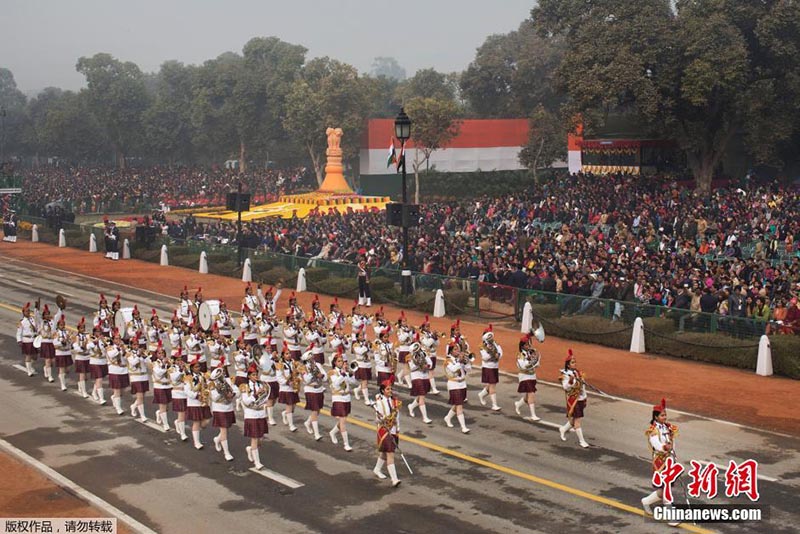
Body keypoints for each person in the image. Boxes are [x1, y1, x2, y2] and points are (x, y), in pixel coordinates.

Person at [641, 399, 681, 527]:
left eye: (665, 415)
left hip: (669, 461)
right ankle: (671, 517)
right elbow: (656, 445)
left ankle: (646, 501)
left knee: (664, 490)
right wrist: (665, 447)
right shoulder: (653, 430)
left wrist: (673, 453)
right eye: (662, 415)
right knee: (666, 489)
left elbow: (672, 442)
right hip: (659, 462)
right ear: (656, 417)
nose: (665, 417)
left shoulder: (668, 427)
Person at [328, 349, 359, 451]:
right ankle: (346, 444)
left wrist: (350, 373)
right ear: (335, 363)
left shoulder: (344, 372)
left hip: (346, 397)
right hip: (338, 397)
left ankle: (333, 432)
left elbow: (353, 382)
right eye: (339, 361)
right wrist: (342, 374)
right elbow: (336, 384)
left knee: (343, 420)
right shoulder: (332, 372)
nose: (341, 363)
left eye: (342, 361)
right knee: (343, 421)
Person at [558, 350, 590, 448]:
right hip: (573, 400)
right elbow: (565, 387)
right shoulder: (566, 375)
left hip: (581, 398)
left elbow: (581, 386)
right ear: (568, 365)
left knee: (574, 420)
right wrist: (571, 382)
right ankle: (582, 441)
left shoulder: (577, 372)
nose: (574, 363)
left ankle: (563, 429)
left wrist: (585, 395)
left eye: (575, 361)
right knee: (577, 421)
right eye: (572, 362)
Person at [373, 379, 402, 487]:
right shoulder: (379, 403)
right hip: (384, 430)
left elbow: (398, 417)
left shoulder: (394, 401)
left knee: (384, 453)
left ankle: (377, 469)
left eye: (391, 388)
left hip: (393, 429)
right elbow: (377, 420)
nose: (390, 391)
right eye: (388, 389)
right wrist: (384, 419)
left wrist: (398, 428)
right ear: (382, 391)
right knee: (390, 453)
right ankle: (394, 479)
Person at [240, 363, 268, 470]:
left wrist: (264, 394)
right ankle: (257, 462)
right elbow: (246, 401)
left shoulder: (261, 385)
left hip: (260, 413)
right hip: (251, 414)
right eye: (253, 375)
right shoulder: (245, 387)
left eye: (256, 375)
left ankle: (250, 449)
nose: (256, 377)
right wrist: (256, 394)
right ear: (249, 376)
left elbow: (265, 397)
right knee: (255, 438)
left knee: (260, 438)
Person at [210, 366, 238, 462]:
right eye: (219, 375)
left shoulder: (228, 381)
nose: (222, 376)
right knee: (224, 430)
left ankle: (218, 439)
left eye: (222, 374)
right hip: (219, 408)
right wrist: (223, 393)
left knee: (226, 429)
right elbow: (214, 398)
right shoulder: (213, 384)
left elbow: (237, 391)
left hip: (228, 407)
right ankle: (226, 452)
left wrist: (233, 394)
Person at [184, 357, 212, 450]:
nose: (198, 368)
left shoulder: (203, 375)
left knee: (206, 421)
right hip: (194, 402)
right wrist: (196, 396)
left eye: (199, 366)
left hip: (204, 401)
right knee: (196, 422)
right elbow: (187, 391)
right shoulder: (188, 378)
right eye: (196, 367)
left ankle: (196, 432)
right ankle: (197, 442)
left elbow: (208, 385)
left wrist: (207, 390)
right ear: (192, 368)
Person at [444, 342, 471, 434]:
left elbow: (469, 369)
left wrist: (466, 362)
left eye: (458, 349)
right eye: (455, 349)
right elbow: (454, 369)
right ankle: (463, 427)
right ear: (451, 351)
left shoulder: (460, 360)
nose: (458, 351)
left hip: (462, 384)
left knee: (457, 404)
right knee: (459, 406)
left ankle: (447, 418)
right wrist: (459, 361)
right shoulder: (448, 361)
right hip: (453, 384)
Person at [301, 347, 328, 441]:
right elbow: (306, 380)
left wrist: (322, 375)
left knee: (318, 410)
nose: (312, 360)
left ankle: (308, 422)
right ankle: (317, 434)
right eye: (310, 359)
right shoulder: (304, 368)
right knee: (315, 410)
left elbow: (325, 377)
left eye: (312, 357)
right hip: (310, 390)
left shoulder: (318, 365)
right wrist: (313, 373)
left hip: (319, 389)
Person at [513, 334, 541, 421]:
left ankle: (518, 404)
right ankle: (533, 415)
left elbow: (537, 364)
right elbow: (523, 366)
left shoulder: (531, 352)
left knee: (527, 396)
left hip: (532, 375)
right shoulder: (520, 355)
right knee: (531, 394)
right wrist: (532, 362)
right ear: (522, 346)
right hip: (525, 376)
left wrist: (536, 360)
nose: (528, 346)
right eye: (526, 345)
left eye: (529, 344)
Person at [407, 340, 434, 424]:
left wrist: (428, 366)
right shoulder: (409, 356)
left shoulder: (423, 353)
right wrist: (420, 365)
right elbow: (411, 367)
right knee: (422, 396)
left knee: (421, 395)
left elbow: (430, 362)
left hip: (425, 375)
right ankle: (425, 417)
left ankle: (411, 406)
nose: (417, 350)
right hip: (416, 376)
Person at [477, 324, 503, 411]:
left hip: (495, 366)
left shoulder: (495, 343)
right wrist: (491, 352)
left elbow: (500, 352)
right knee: (492, 385)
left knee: (493, 384)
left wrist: (497, 355)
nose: (491, 337)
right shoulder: (482, 346)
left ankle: (481, 394)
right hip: (488, 366)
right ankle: (494, 404)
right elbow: (484, 357)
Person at [276, 343, 300, 432]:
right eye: (286, 353)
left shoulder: (294, 362)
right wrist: (287, 381)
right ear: (283, 355)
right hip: (286, 388)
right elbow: (278, 377)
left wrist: (298, 378)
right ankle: (291, 425)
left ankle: (285, 413)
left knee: (293, 406)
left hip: (293, 387)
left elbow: (298, 373)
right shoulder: (280, 365)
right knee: (289, 405)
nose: (289, 355)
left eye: (289, 353)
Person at [107, 330, 130, 416]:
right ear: (113, 340)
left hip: (123, 370)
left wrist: (124, 350)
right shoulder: (110, 348)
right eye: (116, 339)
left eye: (119, 338)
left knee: (122, 391)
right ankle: (118, 408)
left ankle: (114, 397)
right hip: (114, 370)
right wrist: (119, 348)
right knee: (117, 390)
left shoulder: (124, 347)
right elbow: (111, 355)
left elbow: (127, 357)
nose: (118, 340)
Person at [151, 343, 172, 432]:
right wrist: (164, 364)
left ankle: (159, 412)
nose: (161, 355)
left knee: (167, 407)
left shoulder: (169, 362)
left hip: (168, 385)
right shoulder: (155, 364)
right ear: (156, 354)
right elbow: (159, 373)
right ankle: (166, 424)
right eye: (159, 353)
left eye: (162, 353)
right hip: (159, 386)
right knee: (163, 405)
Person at [127, 341, 150, 422]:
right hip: (135, 377)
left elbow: (149, 363)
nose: (136, 346)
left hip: (144, 376)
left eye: (137, 344)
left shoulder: (142, 353)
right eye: (134, 344)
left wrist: (145, 357)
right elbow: (133, 362)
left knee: (142, 396)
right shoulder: (129, 354)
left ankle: (133, 406)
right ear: (131, 345)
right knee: (140, 397)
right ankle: (143, 415)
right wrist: (138, 355)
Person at [169, 356, 189, 441]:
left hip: (186, 393)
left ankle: (178, 422)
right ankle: (183, 434)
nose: (180, 361)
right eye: (178, 360)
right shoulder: (172, 369)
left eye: (181, 360)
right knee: (182, 413)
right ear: (174, 361)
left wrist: (187, 370)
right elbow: (174, 378)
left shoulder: (186, 367)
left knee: (185, 413)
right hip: (177, 393)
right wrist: (181, 370)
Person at [16, 302, 39, 377]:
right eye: (26, 311)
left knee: (35, 357)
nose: (28, 312)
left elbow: (36, 321)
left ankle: (30, 365)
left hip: (33, 339)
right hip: (26, 340)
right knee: (28, 355)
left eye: (29, 311)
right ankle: (29, 370)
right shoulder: (21, 322)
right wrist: (19, 340)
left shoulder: (32, 319)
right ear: (23, 312)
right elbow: (19, 332)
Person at [71, 318, 92, 398]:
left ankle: (80, 384)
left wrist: (87, 347)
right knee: (82, 375)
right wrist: (81, 349)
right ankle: (84, 391)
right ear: (78, 329)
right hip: (80, 357)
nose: (83, 329)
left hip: (87, 357)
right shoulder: (76, 337)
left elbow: (90, 343)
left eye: (83, 328)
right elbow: (75, 346)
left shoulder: (87, 335)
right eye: (81, 328)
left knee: (86, 376)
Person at [88, 327, 108, 404]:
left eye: (100, 331)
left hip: (102, 361)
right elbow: (88, 346)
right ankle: (101, 398)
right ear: (94, 332)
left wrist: (103, 340)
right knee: (99, 379)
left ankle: (94, 392)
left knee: (98, 379)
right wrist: (96, 340)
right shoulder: (91, 339)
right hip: (95, 361)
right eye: (97, 331)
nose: (99, 333)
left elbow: (108, 347)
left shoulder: (104, 339)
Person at [37, 304, 56, 383]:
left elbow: (57, 317)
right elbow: (36, 316)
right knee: (48, 359)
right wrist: (36, 309)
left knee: (53, 361)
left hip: (52, 341)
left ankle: (46, 367)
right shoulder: (41, 322)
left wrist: (60, 309)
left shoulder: (52, 322)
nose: (47, 315)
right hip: (45, 341)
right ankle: (50, 376)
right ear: (43, 315)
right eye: (46, 314)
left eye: (48, 314)